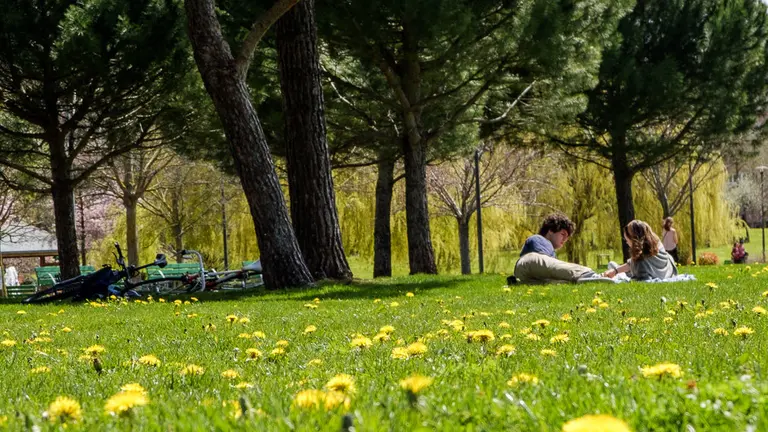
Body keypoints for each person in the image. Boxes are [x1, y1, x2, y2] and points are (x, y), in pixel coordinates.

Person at [511, 213, 604, 284]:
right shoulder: (538, 239)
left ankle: (586, 279)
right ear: (550, 231)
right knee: (556, 269)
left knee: (560, 282)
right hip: (528, 264)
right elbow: (547, 265)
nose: (565, 239)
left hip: (527, 277)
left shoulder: (547, 250)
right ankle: (589, 274)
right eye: (563, 234)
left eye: (567, 237)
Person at [602, 220, 678, 280]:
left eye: (627, 240)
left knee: (611, 264)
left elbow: (635, 265)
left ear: (633, 239)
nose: (627, 243)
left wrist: (616, 271)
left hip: (653, 274)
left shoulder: (640, 263)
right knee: (613, 266)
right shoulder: (655, 241)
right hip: (669, 271)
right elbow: (631, 263)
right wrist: (615, 271)